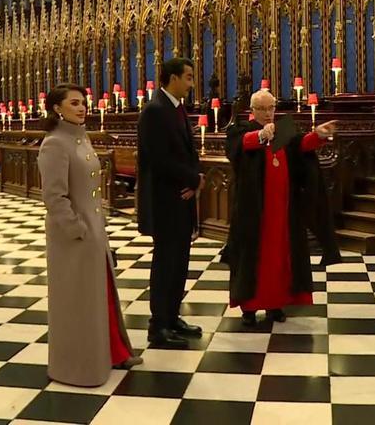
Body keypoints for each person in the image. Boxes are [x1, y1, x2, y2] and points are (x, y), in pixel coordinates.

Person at [38, 83, 141, 387]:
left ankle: (111, 352)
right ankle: (77, 367)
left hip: (93, 232)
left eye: (83, 102)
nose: (82, 107)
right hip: (74, 239)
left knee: (99, 298)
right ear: (57, 108)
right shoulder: (55, 143)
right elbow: (54, 197)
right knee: (77, 303)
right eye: (74, 103)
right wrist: (77, 229)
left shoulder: (80, 138)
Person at [223, 90, 341, 326]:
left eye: (271, 108)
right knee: (252, 259)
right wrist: (259, 135)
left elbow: (301, 146)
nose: (268, 113)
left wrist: (317, 135)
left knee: (281, 258)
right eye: (262, 109)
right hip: (255, 211)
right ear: (253, 109)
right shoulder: (240, 129)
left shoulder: (283, 130)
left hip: (285, 209)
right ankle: (249, 308)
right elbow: (238, 147)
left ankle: (276, 305)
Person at [137, 58, 205, 349]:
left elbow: (186, 153)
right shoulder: (154, 111)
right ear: (173, 78)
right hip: (166, 200)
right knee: (166, 263)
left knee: (180, 262)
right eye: (188, 78)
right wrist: (192, 179)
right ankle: (158, 325)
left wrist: (195, 179)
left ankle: (172, 315)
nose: (192, 84)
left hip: (181, 198)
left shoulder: (175, 108)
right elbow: (158, 159)